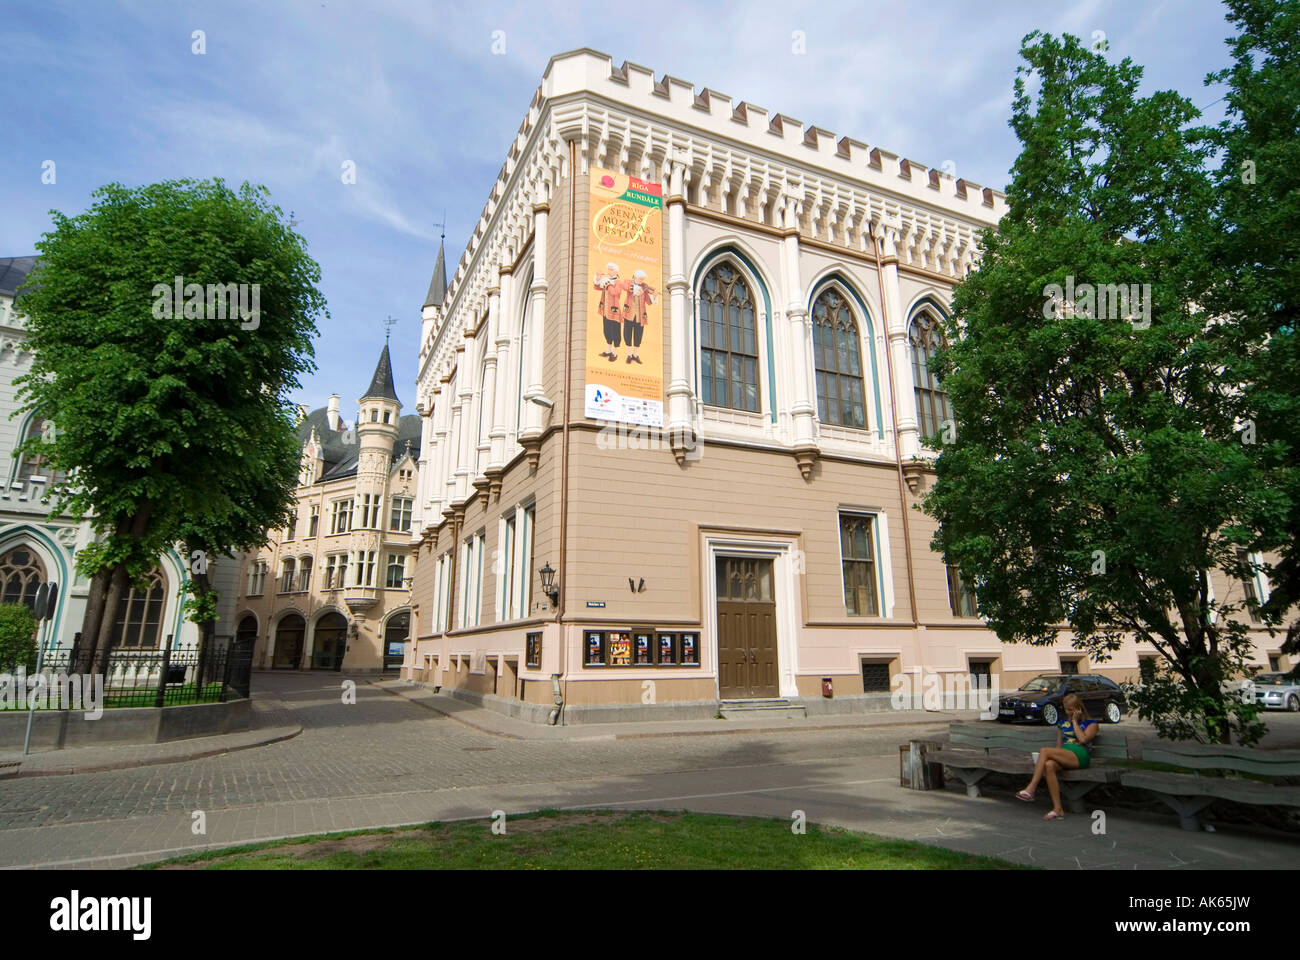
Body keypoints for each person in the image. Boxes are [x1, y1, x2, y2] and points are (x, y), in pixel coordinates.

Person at [1016, 693, 1098, 820]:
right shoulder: (1062, 724)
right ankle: (1058, 809)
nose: (1068, 712)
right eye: (1066, 709)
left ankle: (1031, 789)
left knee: (1044, 751)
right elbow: (1059, 746)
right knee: (1049, 765)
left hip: (1080, 755)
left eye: (1071, 709)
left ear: (1079, 708)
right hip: (1065, 754)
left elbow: (1083, 739)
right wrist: (1054, 756)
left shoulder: (1091, 723)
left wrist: (1075, 721)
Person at [621, 268, 657, 365]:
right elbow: (625, 287)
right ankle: (629, 354)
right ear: (635, 277)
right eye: (640, 279)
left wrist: (654, 295)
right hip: (629, 313)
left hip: (640, 316)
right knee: (627, 334)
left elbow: (648, 302)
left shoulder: (644, 286)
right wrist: (636, 289)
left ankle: (635, 354)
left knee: (638, 335)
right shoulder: (628, 282)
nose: (642, 281)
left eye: (642, 279)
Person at [593, 262, 626, 362]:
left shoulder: (619, 282)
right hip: (605, 310)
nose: (608, 271)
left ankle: (614, 353)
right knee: (606, 330)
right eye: (608, 269)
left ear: (616, 271)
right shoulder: (606, 280)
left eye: (611, 269)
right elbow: (597, 287)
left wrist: (607, 283)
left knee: (615, 332)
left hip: (614, 311)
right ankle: (608, 351)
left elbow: (614, 292)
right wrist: (598, 278)